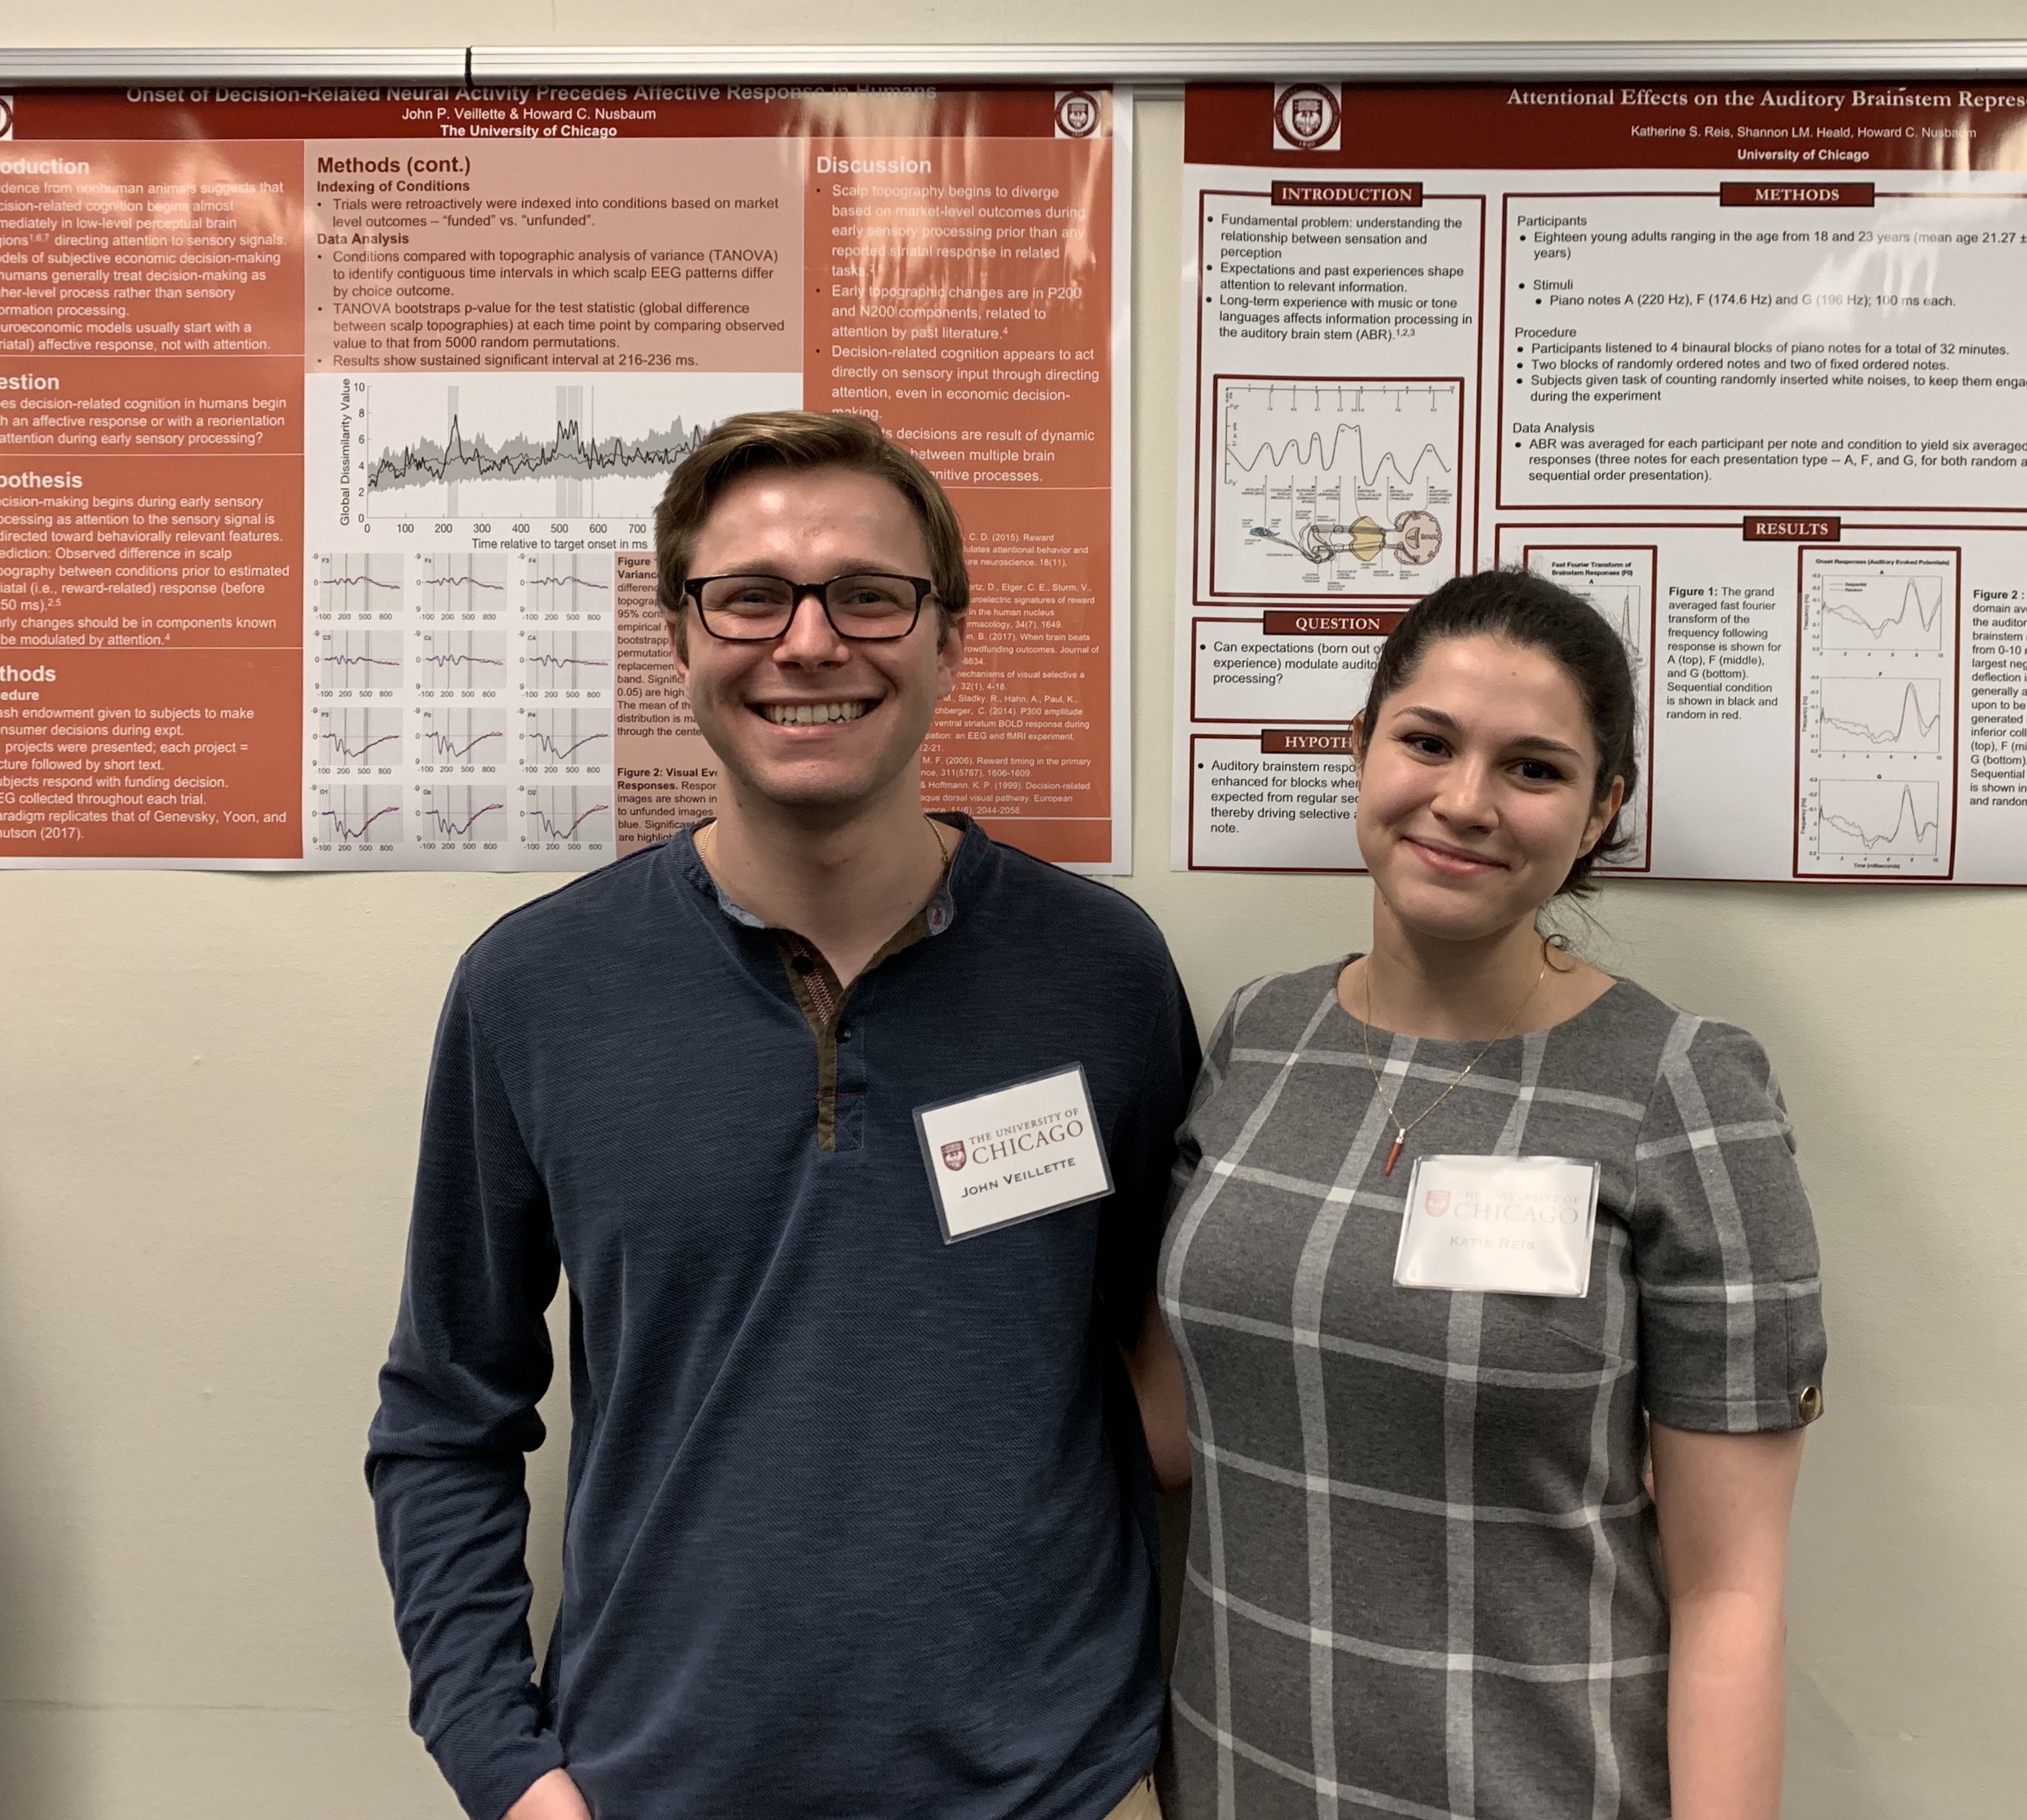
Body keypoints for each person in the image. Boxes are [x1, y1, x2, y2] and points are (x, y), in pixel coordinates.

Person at [367, 411, 1195, 1820]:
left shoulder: (1100, 976)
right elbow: (446, 1415)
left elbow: (1168, 1363)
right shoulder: (536, 989)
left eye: (869, 595)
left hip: (1053, 1784)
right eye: (749, 595)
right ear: (680, 637)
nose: (809, 644)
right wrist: (504, 1768)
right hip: (658, 1783)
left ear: (949, 638)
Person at [1133, 568, 1826, 1820]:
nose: (1464, 802)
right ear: (1363, 749)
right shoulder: (1259, 1039)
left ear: (1601, 809)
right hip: (1241, 1781)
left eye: (1535, 769)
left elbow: (1732, 1593)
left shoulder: (1682, 1092)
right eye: (1428, 742)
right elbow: (1178, 1437)